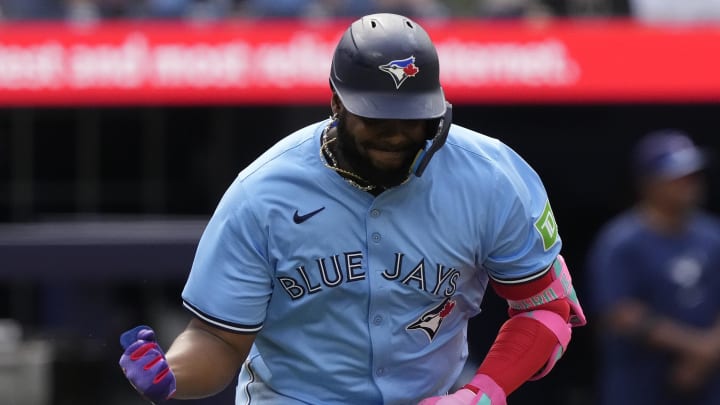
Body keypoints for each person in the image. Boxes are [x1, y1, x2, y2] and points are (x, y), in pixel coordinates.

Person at [118, 13, 586, 405]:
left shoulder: (490, 177)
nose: (395, 133)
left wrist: (481, 393)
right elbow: (220, 338)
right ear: (336, 102)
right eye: (376, 116)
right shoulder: (262, 192)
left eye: (410, 117)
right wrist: (173, 375)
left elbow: (545, 310)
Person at [587, 130, 720, 405]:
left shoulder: (712, 236)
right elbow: (619, 314)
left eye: (693, 175)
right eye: (678, 177)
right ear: (649, 183)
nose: (690, 183)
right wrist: (697, 347)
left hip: (707, 385)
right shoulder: (621, 241)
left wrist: (710, 351)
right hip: (641, 385)